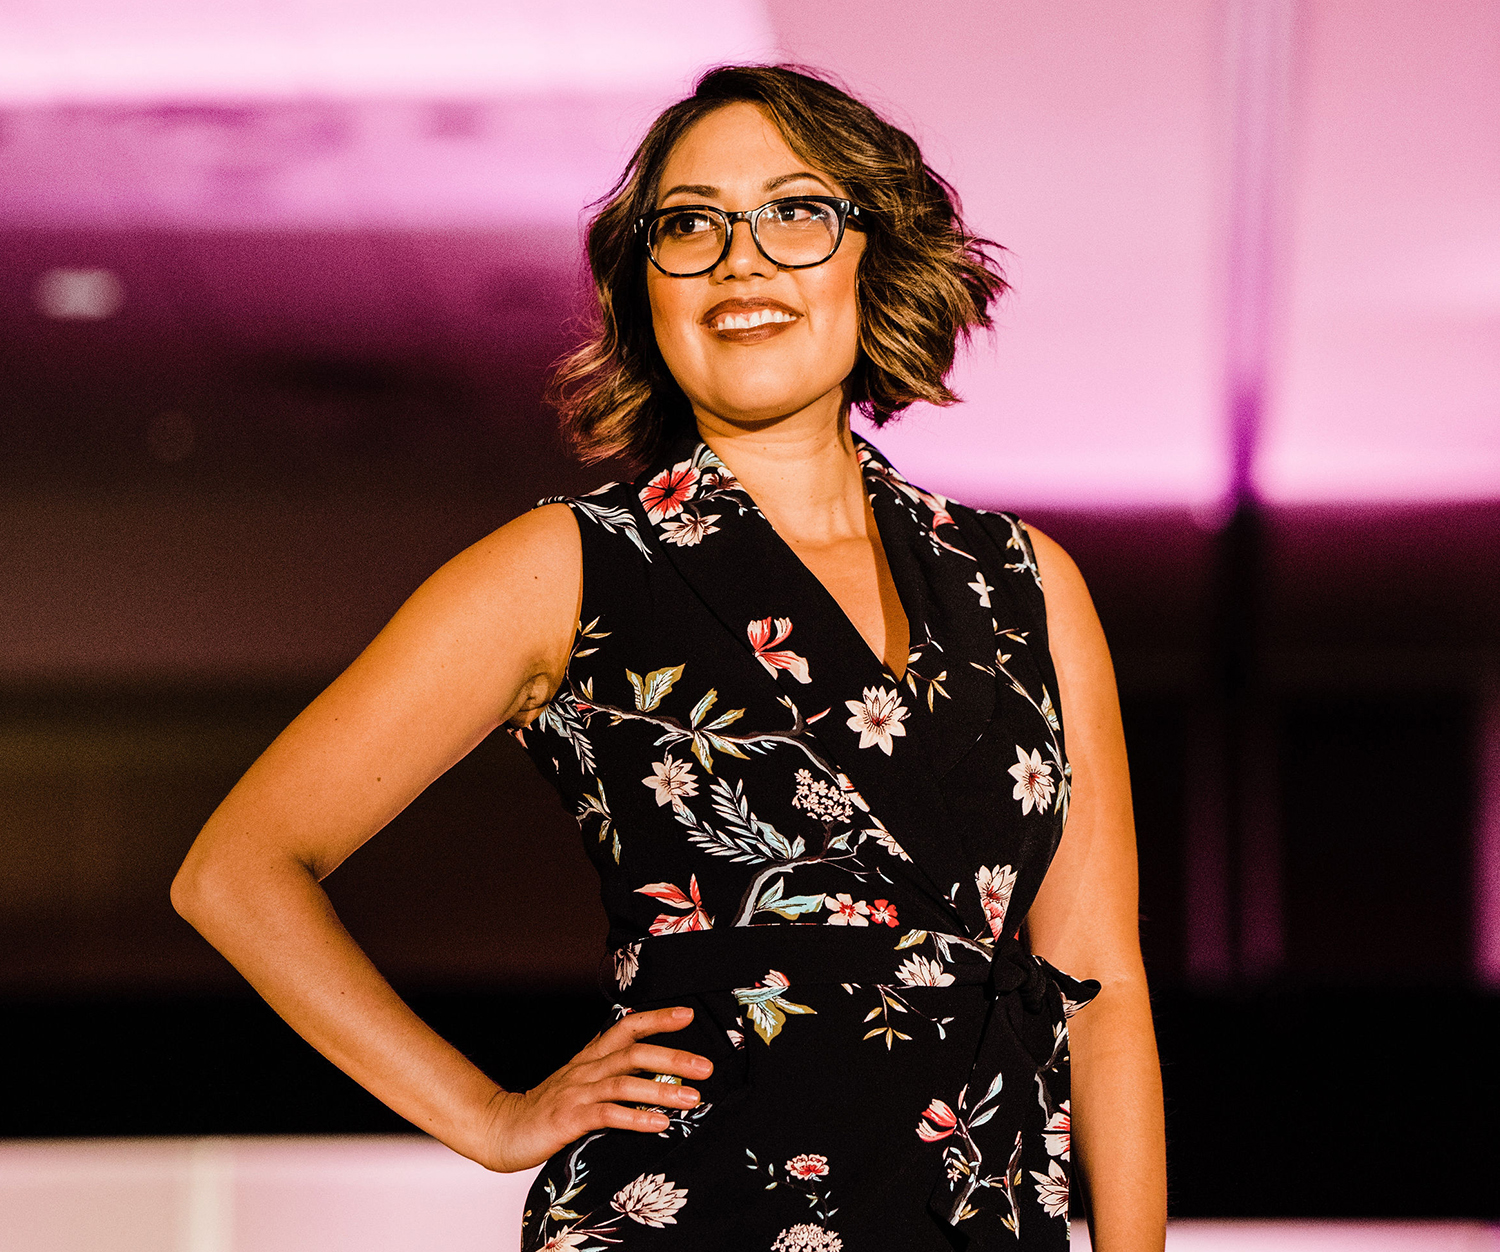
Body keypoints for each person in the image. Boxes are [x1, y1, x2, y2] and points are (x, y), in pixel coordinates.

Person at [173, 64, 1166, 1252]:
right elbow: (234, 871)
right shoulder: (570, 566)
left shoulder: (1023, 583)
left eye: (795, 212)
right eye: (691, 224)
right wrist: (490, 1116)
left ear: (873, 253)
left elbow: (1099, 985)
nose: (741, 260)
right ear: (645, 284)